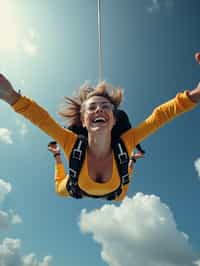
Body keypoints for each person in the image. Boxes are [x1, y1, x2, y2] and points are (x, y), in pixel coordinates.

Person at [0, 73, 199, 201]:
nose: (99, 110)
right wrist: (10, 96)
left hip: (115, 192)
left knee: (121, 192)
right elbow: (43, 120)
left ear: (113, 120)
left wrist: (196, 94)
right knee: (59, 187)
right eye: (92, 108)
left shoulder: (127, 141)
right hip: (73, 187)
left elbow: (159, 117)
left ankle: (130, 162)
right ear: (84, 121)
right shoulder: (71, 142)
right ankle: (57, 157)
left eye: (105, 107)